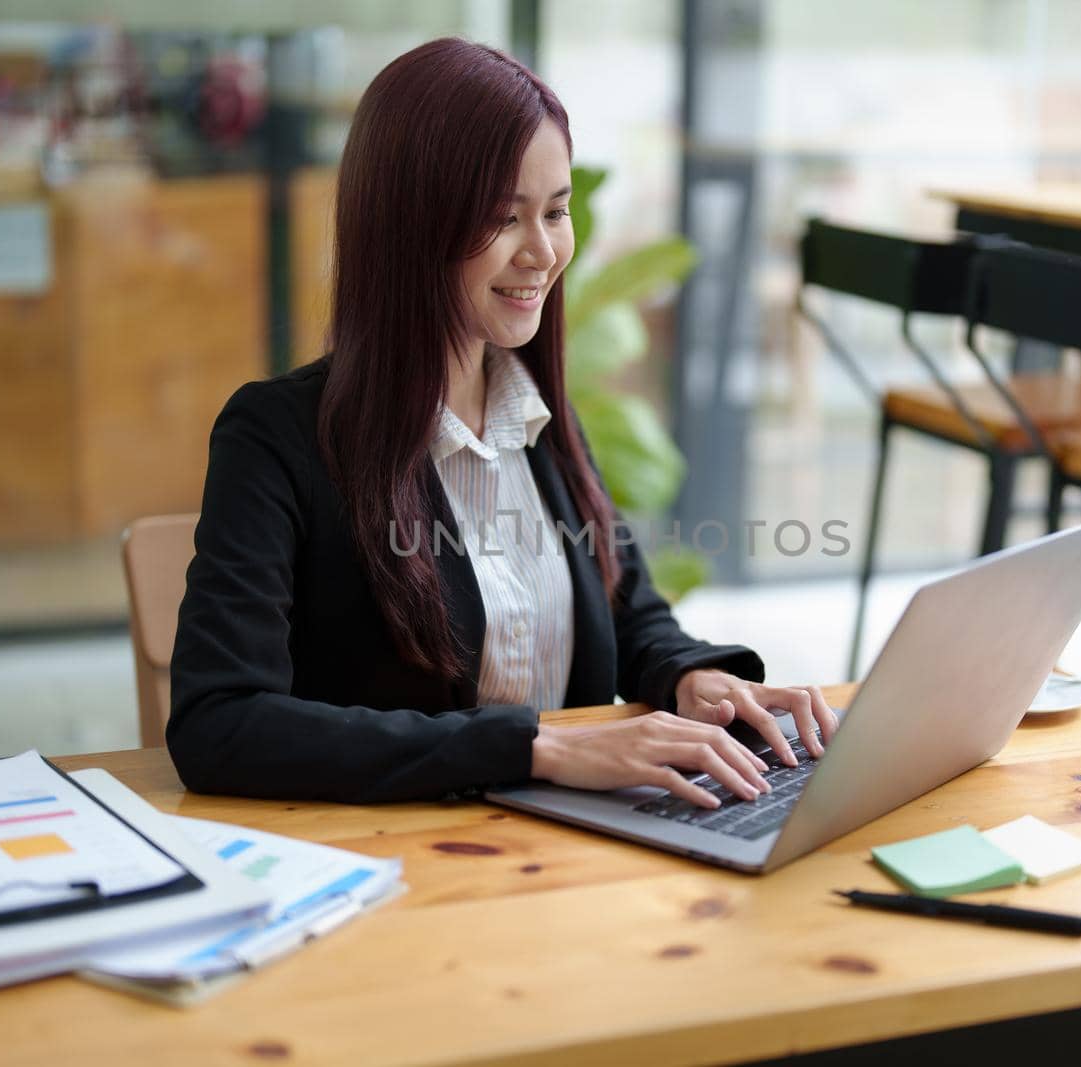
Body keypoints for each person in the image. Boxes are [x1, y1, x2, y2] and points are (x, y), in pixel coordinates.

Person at [168, 37, 838, 809]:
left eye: (556, 211)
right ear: (409, 226)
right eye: (502, 218)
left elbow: (628, 610)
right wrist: (539, 750)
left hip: (567, 853)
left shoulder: (537, 412)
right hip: (404, 861)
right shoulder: (276, 439)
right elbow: (220, 723)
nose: (544, 251)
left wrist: (691, 675)